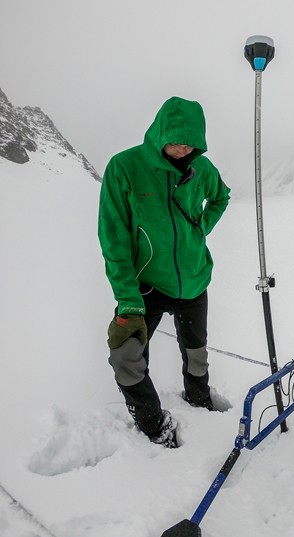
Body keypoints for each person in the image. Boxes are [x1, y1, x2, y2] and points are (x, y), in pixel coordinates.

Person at [98, 96, 231, 448]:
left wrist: (202, 227)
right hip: (145, 285)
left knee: (196, 351)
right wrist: (127, 299)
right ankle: (154, 424)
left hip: (193, 279)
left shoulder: (202, 169)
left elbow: (221, 196)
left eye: (190, 141)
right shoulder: (124, 167)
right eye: (174, 139)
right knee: (126, 355)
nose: (182, 147)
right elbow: (113, 239)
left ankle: (199, 399)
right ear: (159, 131)